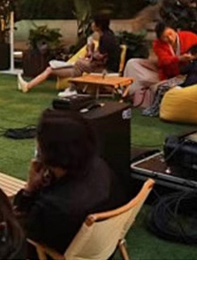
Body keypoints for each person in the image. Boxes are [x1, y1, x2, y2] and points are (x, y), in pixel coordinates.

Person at [13, 109, 126, 255]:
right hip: (105, 246)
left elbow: (21, 230)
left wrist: (29, 189)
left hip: (62, 253)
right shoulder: (99, 165)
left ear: (51, 152)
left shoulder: (53, 206)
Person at [18, 14, 120, 93]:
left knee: (79, 63)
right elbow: (95, 57)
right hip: (89, 68)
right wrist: (90, 52)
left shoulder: (106, 38)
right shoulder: (106, 36)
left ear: (98, 25)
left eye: (93, 22)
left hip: (103, 70)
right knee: (51, 69)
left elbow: (100, 60)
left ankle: (72, 89)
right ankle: (28, 86)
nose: (92, 24)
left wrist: (89, 51)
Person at [124, 22, 197, 98]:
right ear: (160, 39)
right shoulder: (158, 44)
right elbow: (164, 60)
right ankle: (130, 91)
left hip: (186, 74)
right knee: (132, 63)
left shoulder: (189, 36)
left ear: (175, 30)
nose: (170, 39)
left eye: (170, 34)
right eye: (165, 37)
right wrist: (179, 58)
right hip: (166, 73)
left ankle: (145, 86)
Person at [142, 43, 197, 117]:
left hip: (194, 85)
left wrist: (189, 61)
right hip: (195, 85)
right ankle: (155, 109)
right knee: (163, 87)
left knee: (163, 88)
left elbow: (183, 71)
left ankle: (155, 109)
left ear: (196, 54)